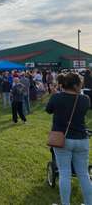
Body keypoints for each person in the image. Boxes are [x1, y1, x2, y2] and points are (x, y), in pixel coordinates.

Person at [46, 73, 92, 205]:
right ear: (77, 84)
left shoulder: (56, 97)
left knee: (64, 173)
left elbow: (49, 110)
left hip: (62, 139)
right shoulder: (85, 99)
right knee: (83, 174)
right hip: (81, 139)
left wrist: (54, 95)